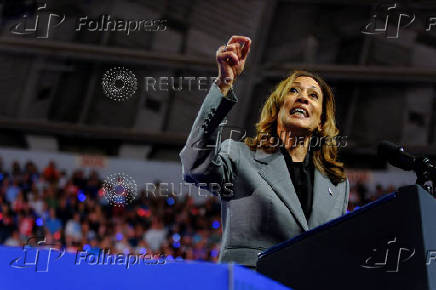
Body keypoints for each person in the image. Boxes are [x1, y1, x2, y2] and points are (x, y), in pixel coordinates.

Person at [179, 35, 350, 269]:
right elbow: (195, 166)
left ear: (321, 121)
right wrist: (224, 83)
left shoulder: (338, 185)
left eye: (313, 96)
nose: (303, 97)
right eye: (294, 91)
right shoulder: (241, 156)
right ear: (277, 109)